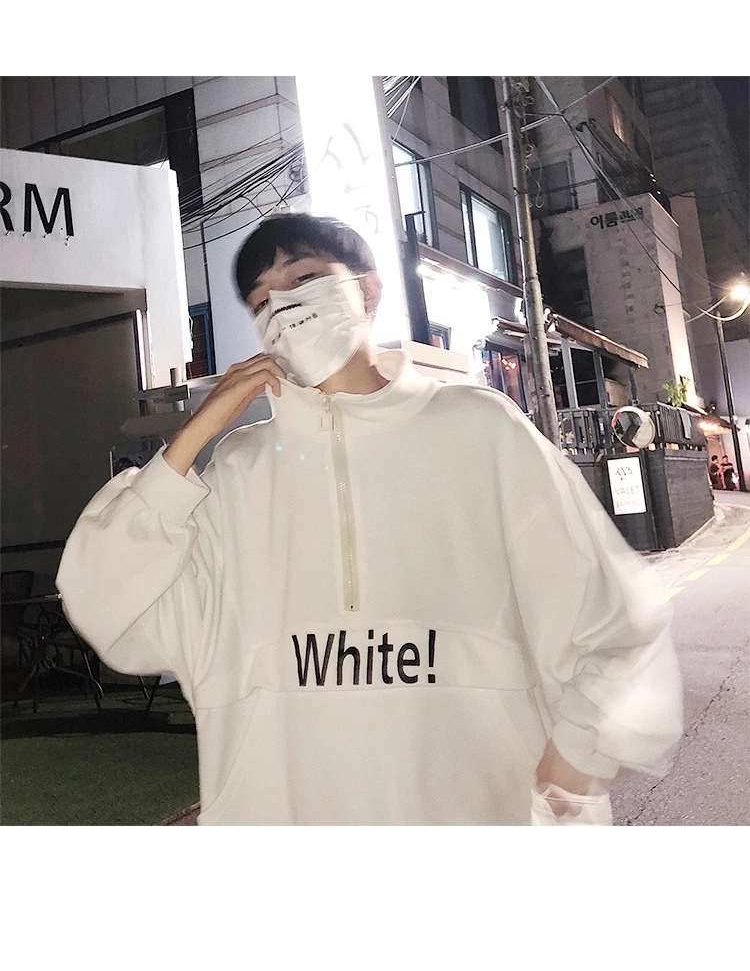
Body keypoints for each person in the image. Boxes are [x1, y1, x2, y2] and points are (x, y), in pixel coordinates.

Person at [57, 211, 682, 827]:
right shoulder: (238, 472)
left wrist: (579, 749)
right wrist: (195, 435)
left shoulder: (480, 429)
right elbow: (107, 602)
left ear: (369, 289)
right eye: (261, 301)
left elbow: (607, 614)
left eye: (303, 279)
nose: (283, 309)